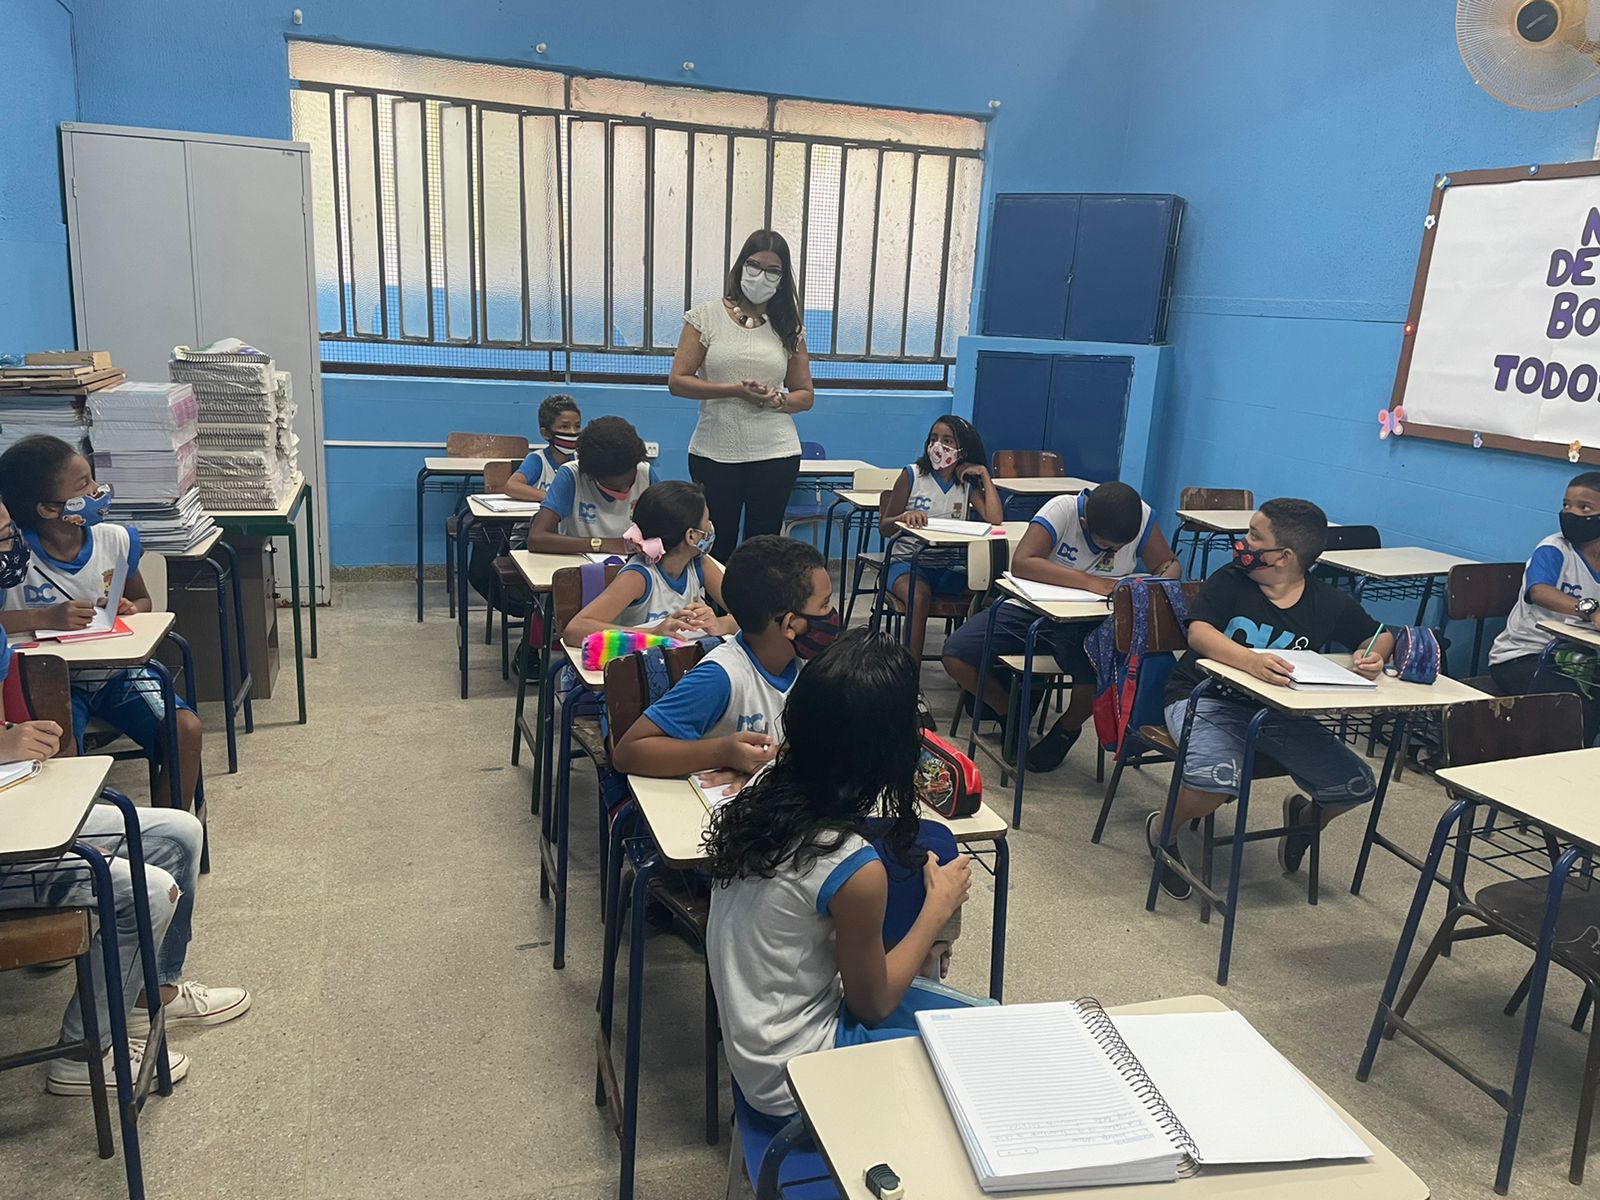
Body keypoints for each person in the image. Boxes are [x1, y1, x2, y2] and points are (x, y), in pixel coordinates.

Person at [0, 495, 249, 1096]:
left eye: (8, 533)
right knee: (147, 887)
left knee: (178, 832)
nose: (12, 548)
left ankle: (149, 992)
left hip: (17, 804)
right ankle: (81, 1055)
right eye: (4, 537)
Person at [704, 627, 972, 1117]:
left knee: (969, 1019)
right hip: (798, 1079)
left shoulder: (767, 784)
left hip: (759, 1050)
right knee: (986, 1038)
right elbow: (873, 1005)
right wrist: (938, 907)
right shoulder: (851, 866)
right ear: (893, 750)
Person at [1153, 498, 1394, 897]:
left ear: (1284, 556)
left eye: (1254, 536)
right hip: (1204, 699)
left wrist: (1373, 655)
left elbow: (1379, 634)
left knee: (1355, 785)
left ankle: (1305, 820)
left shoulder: (1326, 601)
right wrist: (1250, 661)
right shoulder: (1231, 580)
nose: (1243, 542)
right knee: (1214, 784)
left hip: (1276, 713)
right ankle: (1163, 831)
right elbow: (1199, 633)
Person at [0, 436, 203, 812]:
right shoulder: (11, 555)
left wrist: (130, 609)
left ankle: (165, 830)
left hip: (115, 674)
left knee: (185, 729)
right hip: (49, 681)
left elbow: (144, 601)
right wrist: (46, 617)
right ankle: (81, 831)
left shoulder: (115, 540)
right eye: (84, 485)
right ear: (48, 508)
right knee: (59, 750)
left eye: (92, 479)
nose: (98, 490)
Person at [941, 481, 1181, 772]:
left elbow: (1168, 565)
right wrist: (1090, 582)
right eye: (1107, 546)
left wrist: (1153, 582)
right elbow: (1022, 562)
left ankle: (1066, 729)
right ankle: (1009, 713)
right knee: (956, 654)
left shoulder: (1138, 516)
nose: (1115, 551)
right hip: (1032, 609)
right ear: (1085, 522)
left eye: (1120, 547)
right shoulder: (1062, 510)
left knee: (1099, 675)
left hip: (1095, 621)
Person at [610, 535, 834, 784]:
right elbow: (628, 752)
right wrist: (722, 753)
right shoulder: (720, 677)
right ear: (790, 624)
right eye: (824, 605)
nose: (832, 614)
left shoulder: (811, 665)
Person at [669, 229, 816, 563]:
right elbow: (678, 382)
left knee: (762, 549)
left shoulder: (788, 327)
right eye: (755, 266)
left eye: (773, 271)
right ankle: (712, 599)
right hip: (714, 452)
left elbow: (805, 396)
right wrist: (735, 391)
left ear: (783, 279)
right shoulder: (705, 317)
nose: (761, 277)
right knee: (715, 544)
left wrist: (776, 400)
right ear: (740, 266)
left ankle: (754, 601)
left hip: (776, 452)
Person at [879, 415, 1003, 663]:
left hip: (949, 566)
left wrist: (983, 474)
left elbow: (995, 518)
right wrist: (903, 517)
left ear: (962, 449)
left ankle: (968, 662)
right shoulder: (912, 475)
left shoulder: (965, 483)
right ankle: (910, 671)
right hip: (907, 563)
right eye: (934, 439)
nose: (938, 446)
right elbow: (885, 527)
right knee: (919, 597)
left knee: (990, 592)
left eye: (947, 441)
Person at [1488, 470, 1600, 742]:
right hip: (1525, 656)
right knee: (1578, 705)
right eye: (1566, 505)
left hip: (1581, 660)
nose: (1570, 513)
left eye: (1584, 508)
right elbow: (1539, 591)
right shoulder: (1554, 549)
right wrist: (1589, 610)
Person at [561, 480, 737, 644]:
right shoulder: (639, 576)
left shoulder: (700, 564)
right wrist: (651, 633)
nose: (710, 527)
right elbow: (574, 630)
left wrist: (720, 624)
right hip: (637, 663)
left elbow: (750, 615)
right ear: (691, 536)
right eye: (706, 521)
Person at [524, 415, 656, 556]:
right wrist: (604, 544)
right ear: (591, 477)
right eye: (614, 488)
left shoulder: (645, 473)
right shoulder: (572, 475)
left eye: (630, 482)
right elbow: (536, 538)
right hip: (581, 564)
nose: (624, 491)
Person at [505, 393, 581, 503]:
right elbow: (511, 486)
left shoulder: (580, 461)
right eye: (565, 426)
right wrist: (553, 498)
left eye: (577, 426)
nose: (573, 432)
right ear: (546, 433)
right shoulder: (538, 460)